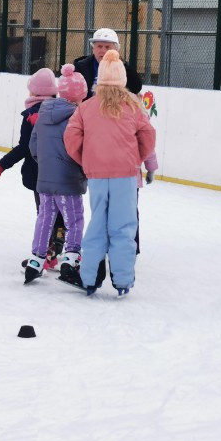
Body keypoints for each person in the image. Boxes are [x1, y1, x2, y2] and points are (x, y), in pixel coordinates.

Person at [65, 49, 156, 297]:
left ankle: (90, 278)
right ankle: (122, 280)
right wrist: (136, 159)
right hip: (124, 175)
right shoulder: (133, 107)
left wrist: (86, 160)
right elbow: (148, 136)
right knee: (123, 227)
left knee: (98, 225)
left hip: (96, 174)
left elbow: (71, 138)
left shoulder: (86, 107)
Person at [0, 67, 68, 265]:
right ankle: (58, 241)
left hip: (39, 173)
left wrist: (3, 163)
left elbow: (25, 147)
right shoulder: (64, 109)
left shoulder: (31, 115)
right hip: (61, 171)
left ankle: (47, 251)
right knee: (60, 208)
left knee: (44, 212)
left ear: (34, 92)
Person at [25, 63, 88, 285]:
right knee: (75, 220)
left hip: (45, 178)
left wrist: (45, 165)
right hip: (68, 180)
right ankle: (70, 261)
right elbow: (80, 148)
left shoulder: (43, 113)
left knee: (45, 218)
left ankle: (36, 259)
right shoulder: (78, 117)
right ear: (81, 95)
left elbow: (34, 146)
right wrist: (83, 170)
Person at [73, 27, 143, 99]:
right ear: (93, 49)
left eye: (107, 47)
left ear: (116, 50)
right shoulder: (81, 67)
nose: (103, 51)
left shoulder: (122, 67)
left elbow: (136, 87)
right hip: (88, 108)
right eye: (99, 46)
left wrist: (122, 65)